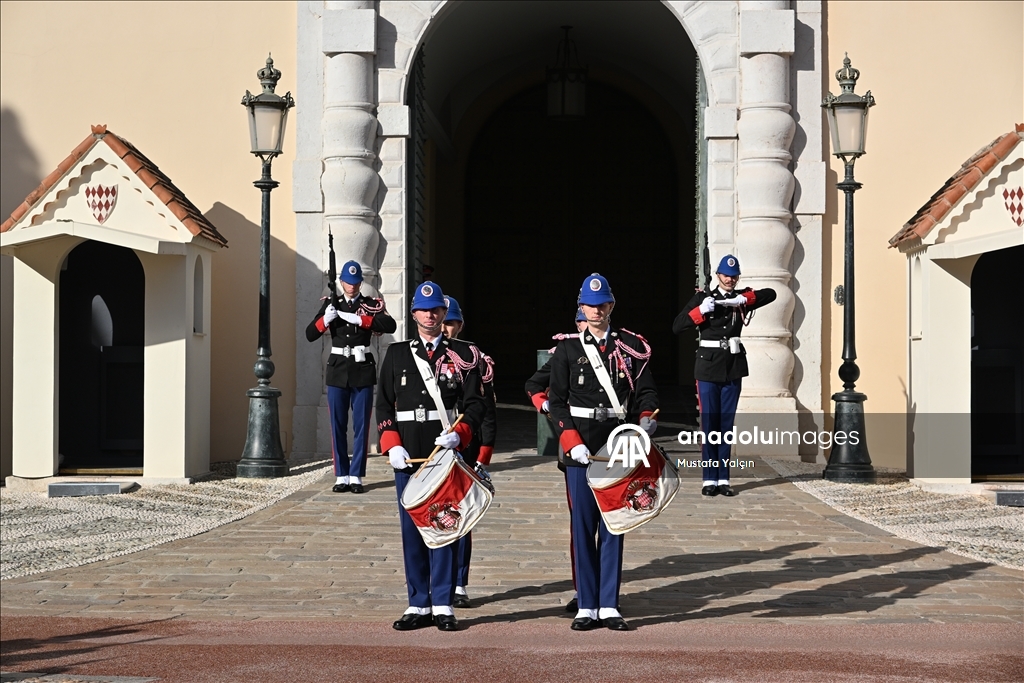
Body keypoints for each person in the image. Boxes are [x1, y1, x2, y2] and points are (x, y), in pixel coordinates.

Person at [547, 274, 658, 632]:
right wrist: (570, 442)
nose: (597, 310)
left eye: (603, 304)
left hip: (617, 444)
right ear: (581, 307)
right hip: (579, 447)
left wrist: (645, 420)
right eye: (590, 305)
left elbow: (646, 392)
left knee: (615, 523)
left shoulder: (629, 346)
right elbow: (557, 402)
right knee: (582, 526)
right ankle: (587, 604)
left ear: (611, 306)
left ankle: (609, 603)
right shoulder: (566, 349)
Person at [376, 281, 486, 632]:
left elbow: (475, 405)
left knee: (444, 525)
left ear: (444, 314)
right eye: (424, 310)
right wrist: (391, 444)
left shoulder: (464, 354)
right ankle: (417, 603)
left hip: (446, 454)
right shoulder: (396, 354)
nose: (430, 315)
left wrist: (460, 434)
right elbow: (383, 403)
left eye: (436, 309)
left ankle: (442, 603)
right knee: (412, 530)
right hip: (409, 453)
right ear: (413, 314)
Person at [672, 254, 777, 497]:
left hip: (732, 367)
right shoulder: (703, 298)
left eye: (734, 276)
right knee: (710, 425)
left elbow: (771, 293)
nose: (730, 279)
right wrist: (699, 311)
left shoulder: (741, 300)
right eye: (726, 275)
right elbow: (677, 326)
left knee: (726, 426)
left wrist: (744, 297)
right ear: (717, 276)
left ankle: (723, 478)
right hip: (708, 368)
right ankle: (709, 479)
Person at [305, 260, 396, 494]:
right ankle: (341, 474)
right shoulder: (330, 304)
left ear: (360, 283)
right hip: (337, 370)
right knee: (337, 425)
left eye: (356, 283)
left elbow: (390, 324)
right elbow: (310, 334)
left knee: (362, 425)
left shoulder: (370, 305)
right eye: (348, 282)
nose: (352, 287)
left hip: (362, 369)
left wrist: (362, 320)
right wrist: (326, 319)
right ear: (341, 282)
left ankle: (356, 475)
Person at [525, 307, 588, 613]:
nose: (586, 323)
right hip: (573, 443)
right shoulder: (566, 352)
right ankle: (582, 588)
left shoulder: (618, 349)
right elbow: (534, 385)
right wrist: (547, 408)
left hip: (610, 444)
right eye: (581, 320)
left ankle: (602, 590)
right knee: (581, 522)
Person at [441, 295, 497, 609]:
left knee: (461, 518)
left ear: (459, 325)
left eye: (451, 322)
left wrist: (484, 454)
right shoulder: (420, 356)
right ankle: (437, 581)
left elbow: (486, 412)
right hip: (433, 447)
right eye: (443, 321)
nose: (446, 328)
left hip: (466, 449)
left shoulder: (474, 360)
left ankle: (459, 582)